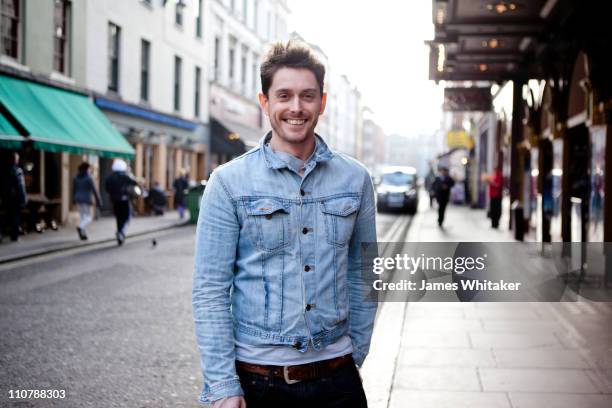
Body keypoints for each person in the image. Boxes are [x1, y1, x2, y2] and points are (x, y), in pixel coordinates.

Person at [193, 40, 378, 408]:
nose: (296, 107)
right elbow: (210, 290)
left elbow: (365, 273)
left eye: (307, 96)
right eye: (284, 96)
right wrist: (223, 385)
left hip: (338, 381)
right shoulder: (228, 182)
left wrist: (354, 352)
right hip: (260, 384)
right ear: (265, 103)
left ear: (322, 102)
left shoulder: (355, 179)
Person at [105, 159, 137, 246]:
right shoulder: (125, 176)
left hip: (114, 200)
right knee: (126, 217)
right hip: (124, 199)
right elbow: (134, 182)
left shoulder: (110, 177)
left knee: (118, 218)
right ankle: (121, 232)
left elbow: (107, 188)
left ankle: (119, 232)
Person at [73, 162, 102, 240]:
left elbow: (74, 189)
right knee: (88, 218)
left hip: (78, 198)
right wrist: (99, 201)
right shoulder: (89, 178)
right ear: (87, 169)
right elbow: (94, 190)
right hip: (86, 199)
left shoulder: (76, 177)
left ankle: (83, 235)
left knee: (83, 217)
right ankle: (80, 227)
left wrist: (73, 199)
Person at [3, 152, 27, 241]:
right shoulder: (18, 171)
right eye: (17, 159)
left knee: (8, 216)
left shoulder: (5, 170)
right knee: (15, 217)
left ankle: (4, 234)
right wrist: (23, 198)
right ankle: (15, 236)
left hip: (7, 198)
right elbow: (20, 186)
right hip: (16, 198)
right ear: (15, 160)